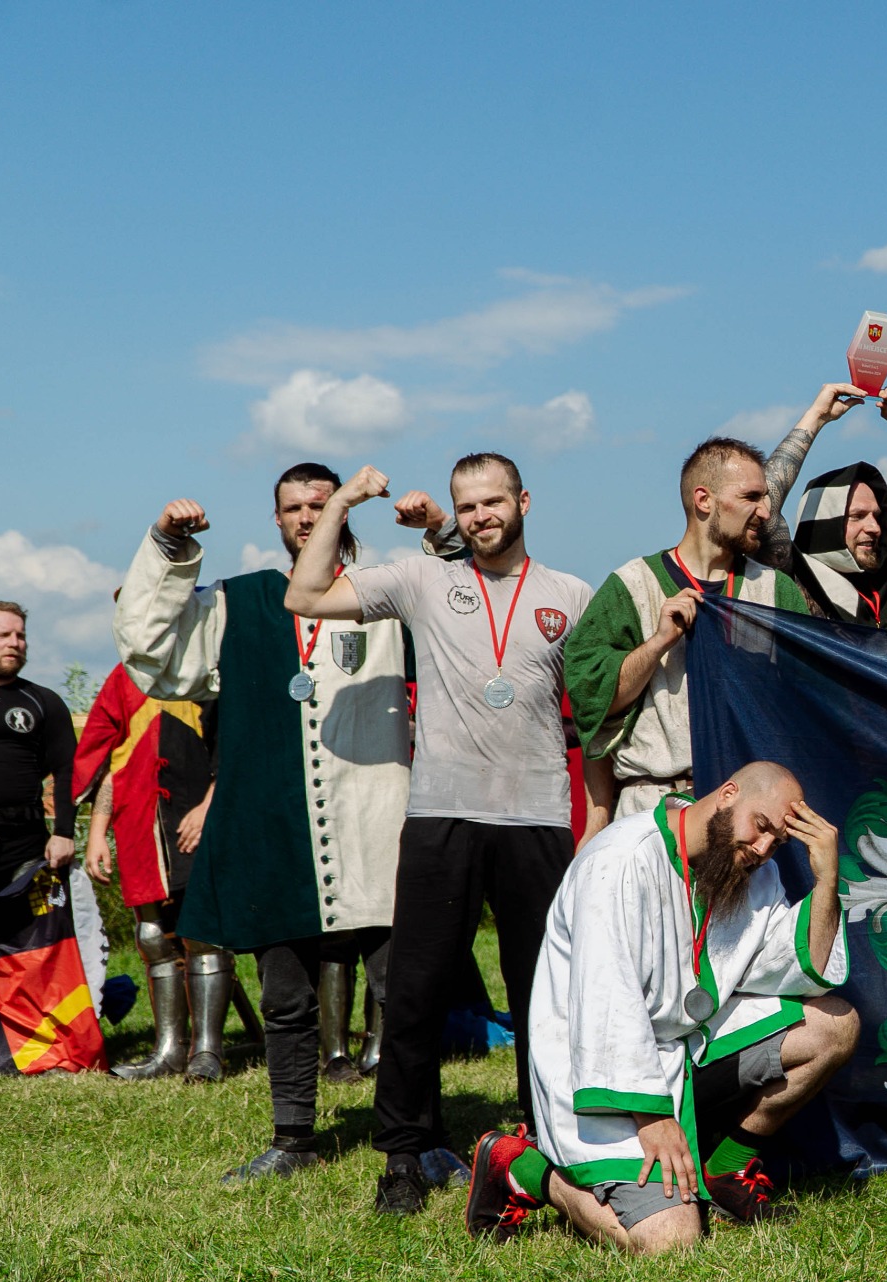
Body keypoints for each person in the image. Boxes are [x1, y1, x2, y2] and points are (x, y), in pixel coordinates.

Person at [284, 453, 596, 1214]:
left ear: (524, 500)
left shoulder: (571, 595)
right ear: (455, 512)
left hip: (538, 817)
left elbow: (598, 713)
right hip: (442, 814)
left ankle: (549, 1146)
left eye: (494, 501)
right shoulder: (423, 580)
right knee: (416, 994)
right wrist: (344, 503)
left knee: (545, 997)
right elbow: (307, 591)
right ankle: (402, 1157)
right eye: (468, 505)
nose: (482, 515)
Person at [115, 464, 418, 1181]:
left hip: (376, 817)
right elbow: (153, 652)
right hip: (277, 826)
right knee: (286, 998)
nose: (308, 517)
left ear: (343, 510)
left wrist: (436, 533)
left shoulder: (395, 590)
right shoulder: (243, 600)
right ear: (276, 520)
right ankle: (293, 1140)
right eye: (294, 508)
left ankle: (413, 1136)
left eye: (321, 503)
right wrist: (167, 546)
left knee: (402, 991)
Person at [462, 762, 856, 1254]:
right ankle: (522, 1165)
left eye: (778, 842)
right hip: (598, 1068)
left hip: (682, 1049)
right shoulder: (621, 861)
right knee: (671, 1240)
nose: (761, 850)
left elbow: (796, 967)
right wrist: (653, 1118)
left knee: (834, 1025)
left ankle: (726, 1169)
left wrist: (826, 881)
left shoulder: (749, 871)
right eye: (761, 827)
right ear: (729, 794)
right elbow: (605, 1001)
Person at [566, 438, 813, 840]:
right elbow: (591, 700)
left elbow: (808, 705)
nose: (765, 512)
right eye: (751, 497)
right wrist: (657, 643)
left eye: (765, 498)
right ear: (704, 500)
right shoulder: (632, 587)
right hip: (651, 815)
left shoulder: (776, 592)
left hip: (750, 824)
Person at [0, 602, 105, 1076]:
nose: (15, 644)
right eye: (4, 635)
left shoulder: (42, 702)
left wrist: (64, 832)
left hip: (24, 846)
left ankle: (42, 1046)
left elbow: (69, 773)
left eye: (21, 636)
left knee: (32, 955)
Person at [72, 662, 244, 1080]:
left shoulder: (209, 669)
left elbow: (236, 748)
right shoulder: (122, 678)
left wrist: (208, 808)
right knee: (153, 938)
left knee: (202, 935)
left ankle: (207, 1052)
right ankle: (168, 1050)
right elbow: (111, 760)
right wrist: (97, 833)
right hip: (140, 824)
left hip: (198, 816)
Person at [757, 383, 887, 629]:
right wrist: (817, 417)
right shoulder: (792, 576)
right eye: (857, 516)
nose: (874, 527)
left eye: (877, 516)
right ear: (826, 521)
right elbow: (762, 506)